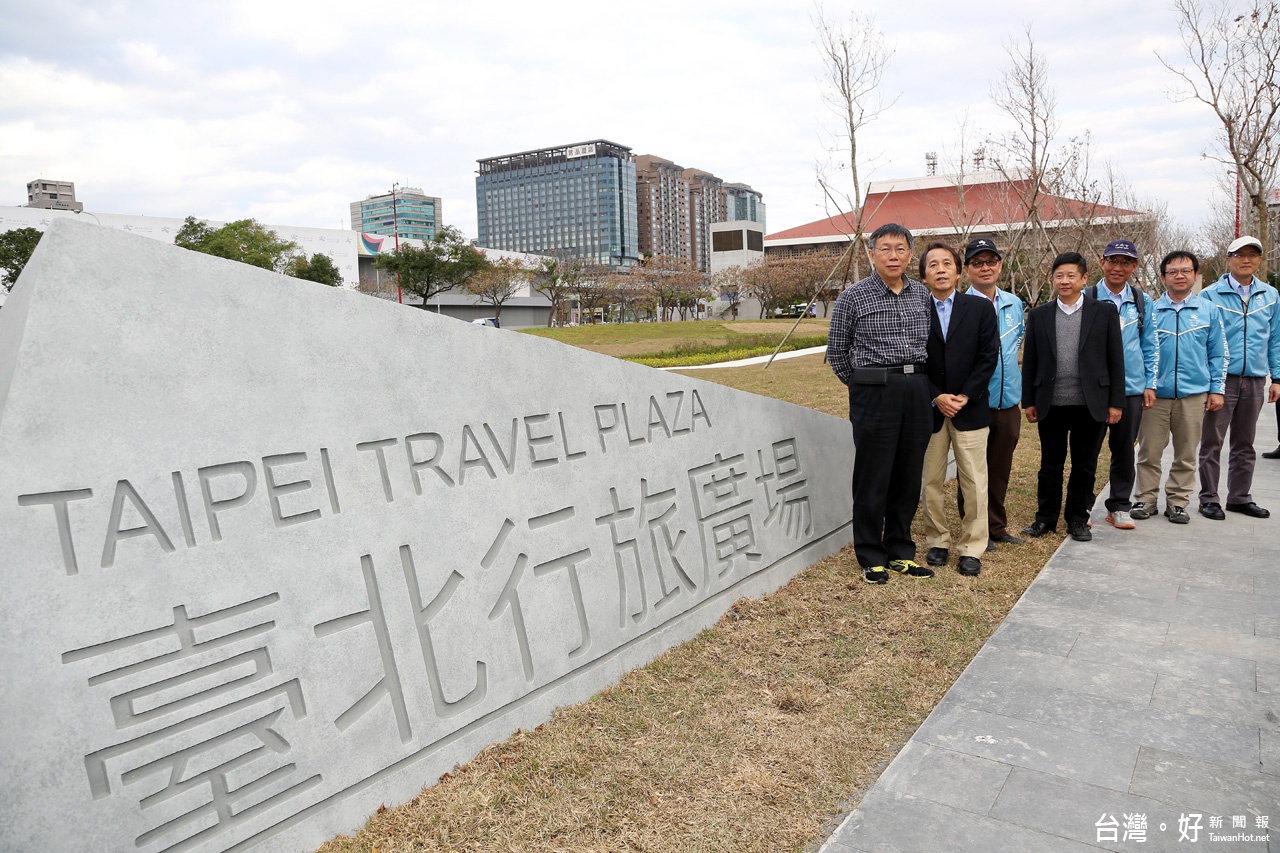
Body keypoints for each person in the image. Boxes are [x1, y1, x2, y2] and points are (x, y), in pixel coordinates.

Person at [828, 223, 935, 584]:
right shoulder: (853, 297)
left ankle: (900, 551)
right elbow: (838, 353)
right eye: (885, 248)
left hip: (917, 387)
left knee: (908, 474)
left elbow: (931, 345)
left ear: (910, 254)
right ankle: (871, 554)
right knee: (874, 475)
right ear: (871, 254)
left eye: (901, 249)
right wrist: (864, 388)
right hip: (875, 391)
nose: (893, 255)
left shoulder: (921, 295)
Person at [1020, 252, 1125, 542]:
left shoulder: (1103, 312)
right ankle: (1045, 519)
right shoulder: (1040, 314)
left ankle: (1078, 519)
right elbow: (1030, 361)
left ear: (1083, 279)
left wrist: (1115, 402)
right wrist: (1028, 400)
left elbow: (1116, 360)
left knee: (1085, 465)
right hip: (1050, 402)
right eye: (1059, 276)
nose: (1064, 281)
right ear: (1052, 279)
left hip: (1090, 403)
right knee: (1050, 465)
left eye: (1070, 275)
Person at [918, 243, 999, 576]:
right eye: (933, 264)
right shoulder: (915, 309)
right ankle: (938, 540)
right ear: (923, 275)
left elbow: (987, 356)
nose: (940, 269)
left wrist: (965, 395)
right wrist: (937, 396)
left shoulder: (979, 309)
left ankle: (971, 546)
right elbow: (912, 358)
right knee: (931, 480)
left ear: (957, 270)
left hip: (971, 408)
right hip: (931, 409)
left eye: (946, 263)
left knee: (974, 481)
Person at [1132, 250, 1226, 523]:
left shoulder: (1209, 310)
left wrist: (1216, 388)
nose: (1180, 275)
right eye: (1173, 271)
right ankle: (1145, 500)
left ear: (1195, 275)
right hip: (1155, 395)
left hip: (1193, 395)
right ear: (1163, 277)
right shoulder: (1150, 309)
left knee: (1186, 454)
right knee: (1149, 452)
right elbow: (1141, 349)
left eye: (1186, 270)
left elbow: (1219, 353)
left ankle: (1178, 502)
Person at [1196, 235, 1280, 520]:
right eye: (1239, 254)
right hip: (1221, 380)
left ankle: (1240, 497)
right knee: (1212, 442)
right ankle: (1209, 498)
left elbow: (1275, 339)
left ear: (1259, 259)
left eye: (1252, 254)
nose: (1246, 259)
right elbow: (1203, 341)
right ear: (1228, 259)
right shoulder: (1209, 295)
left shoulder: (1270, 295)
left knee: (1245, 443)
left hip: (1255, 380)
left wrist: (1276, 377)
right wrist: (1209, 383)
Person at [959, 238, 1026, 551]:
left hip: (1009, 401)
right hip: (975, 402)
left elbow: (1016, 349)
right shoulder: (961, 306)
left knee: (1000, 468)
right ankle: (974, 529)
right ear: (967, 269)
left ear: (1000, 265)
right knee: (972, 470)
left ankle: (996, 527)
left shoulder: (1015, 304)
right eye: (977, 262)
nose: (985, 267)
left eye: (991, 261)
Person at [1089, 239, 1154, 529]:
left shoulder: (1142, 301)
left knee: (1125, 449)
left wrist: (1149, 384)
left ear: (1134, 267)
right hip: (1095, 389)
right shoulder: (1088, 296)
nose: (1118, 267)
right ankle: (1081, 506)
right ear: (1102, 262)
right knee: (1087, 449)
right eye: (1112, 261)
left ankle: (1119, 505)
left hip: (1131, 389)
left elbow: (1150, 346)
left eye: (1125, 262)